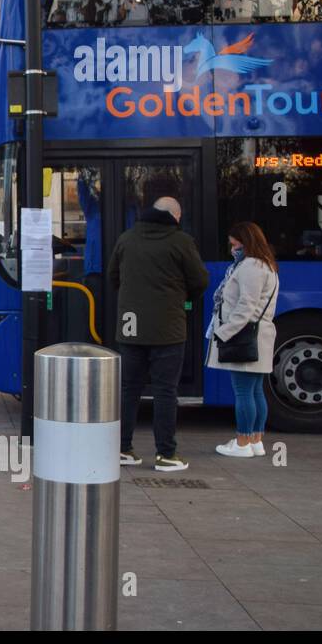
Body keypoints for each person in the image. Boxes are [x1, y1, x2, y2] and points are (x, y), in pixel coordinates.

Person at [109, 196, 209, 472]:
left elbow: (113, 276)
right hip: (168, 328)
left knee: (129, 390)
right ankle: (166, 455)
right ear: (175, 217)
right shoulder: (181, 241)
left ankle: (122, 449)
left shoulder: (127, 238)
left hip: (130, 329)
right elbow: (200, 280)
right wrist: (182, 297)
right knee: (166, 391)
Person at [207, 222, 279, 458]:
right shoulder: (267, 265)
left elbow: (245, 306)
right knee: (256, 390)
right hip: (260, 335)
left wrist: (224, 332)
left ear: (247, 242)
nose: (232, 249)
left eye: (235, 244)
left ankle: (242, 442)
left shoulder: (250, 267)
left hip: (245, 337)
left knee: (243, 391)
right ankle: (255, 440)